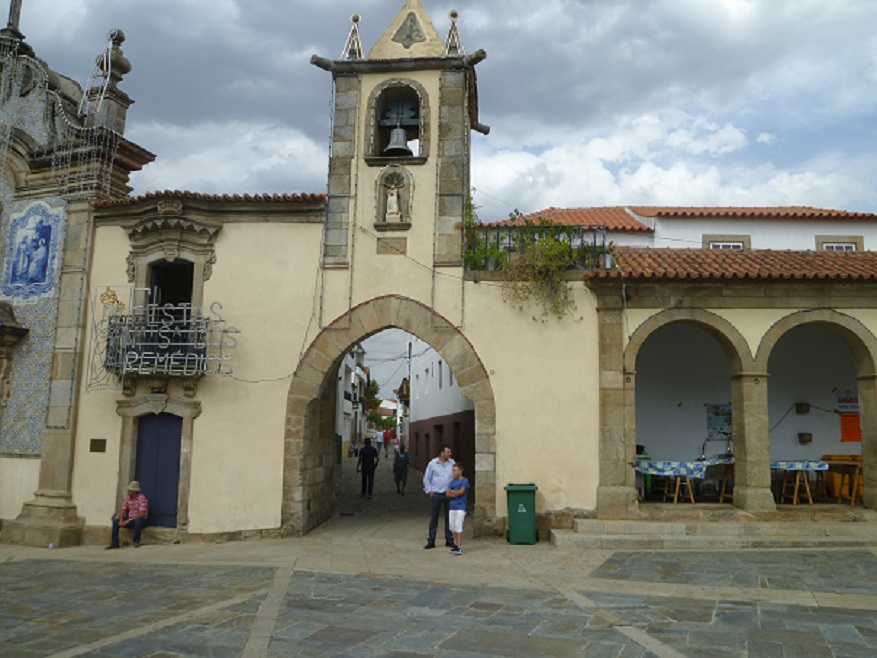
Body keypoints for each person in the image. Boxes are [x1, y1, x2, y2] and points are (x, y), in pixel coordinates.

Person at [422, 445, 455, 549]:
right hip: (437, 493)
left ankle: (449, 539)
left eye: (450, 452)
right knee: (434, 518)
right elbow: (427, 478)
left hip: (449, 494)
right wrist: (429, 491)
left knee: (449, 518)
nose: (450, 454)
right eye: (448, 452)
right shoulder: (433, 464)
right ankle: (431, 540)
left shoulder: (452, 463)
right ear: (441, 453)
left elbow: (456, 477)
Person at [106, 480, 149, 549]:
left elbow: (142, 513)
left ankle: (136, 541)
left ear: (134, 491)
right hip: (130, 519)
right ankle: (114, 543)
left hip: (139, 520)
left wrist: (128, 521)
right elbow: (123, 510)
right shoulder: (128, 499)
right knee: (115, 522)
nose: (128, 492)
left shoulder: (142, 498)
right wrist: (121, 520)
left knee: (139, 521)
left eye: (130, 490)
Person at [446, 464, 469, 555]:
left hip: (461, 507)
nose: (453, 472)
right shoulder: (452, 482)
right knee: (452, 526)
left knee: (458, 525)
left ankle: (459, 547)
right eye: (453, 470)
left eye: (455, 470)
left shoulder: (464, 481)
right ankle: (456, 545)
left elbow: (461, 491)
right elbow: (447, 494)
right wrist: (454, 493)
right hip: (452, 506)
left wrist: (453, 492)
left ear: (460, 471)